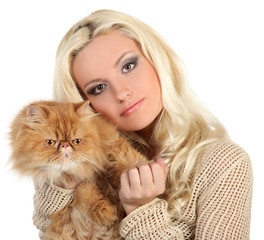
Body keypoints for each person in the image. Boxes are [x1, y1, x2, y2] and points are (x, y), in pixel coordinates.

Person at [32, 9, 253, 239]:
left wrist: (141, 210)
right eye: (98, 88)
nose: (121, 93)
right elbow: (50, 229)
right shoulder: (77, 159)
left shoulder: (224, 163)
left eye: (128, 66)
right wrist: (62, 185)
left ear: (155, 58)